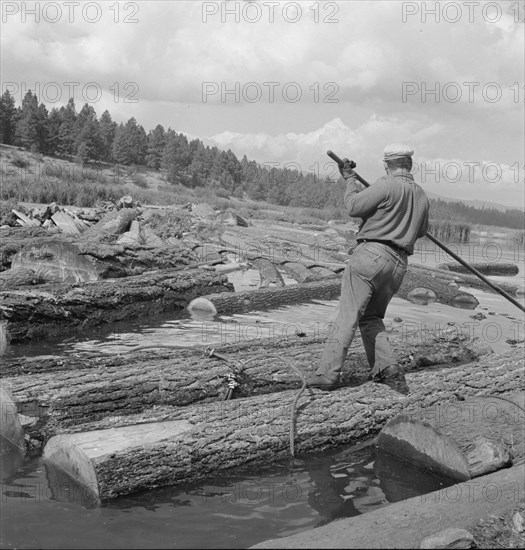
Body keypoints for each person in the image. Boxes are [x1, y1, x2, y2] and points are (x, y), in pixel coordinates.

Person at [306, 144, 430, 390]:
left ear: (387, 165)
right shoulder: (421, 195)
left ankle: (328, 375)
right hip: (398, 265)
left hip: (371, 256)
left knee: (347, 315)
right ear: (410, 165)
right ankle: (386, 367)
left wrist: (350, 179)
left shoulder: (385, 185)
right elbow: (422, 231)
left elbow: (353, 206)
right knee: (372, 317)